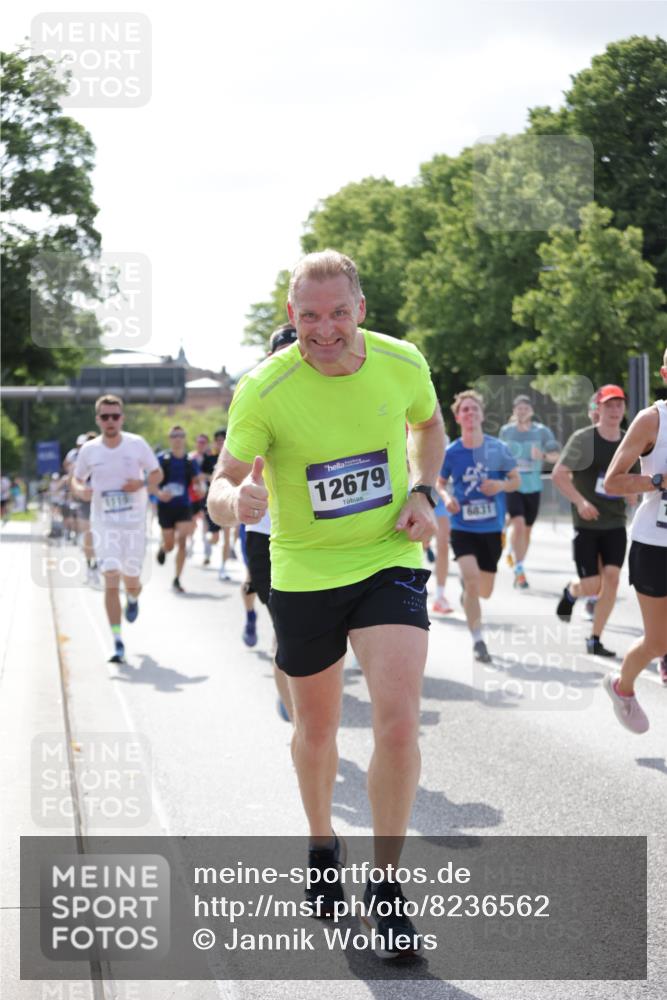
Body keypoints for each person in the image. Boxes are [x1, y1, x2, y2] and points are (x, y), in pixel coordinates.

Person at [208, 249, 445, 957]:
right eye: (309, 316)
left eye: (338, 312)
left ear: (360, 311)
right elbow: (220, 486)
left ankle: (386, 888)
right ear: (292, 317)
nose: (324, 329)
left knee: (398, 725)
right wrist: (235, 500)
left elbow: (427, 428)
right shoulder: (264, 388)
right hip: (306, 573)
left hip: (387, 557)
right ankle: (320, 841)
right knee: (317, 732)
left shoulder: (402, 363)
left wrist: (423, 490)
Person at [602, 350, 667, 727]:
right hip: (655, 546)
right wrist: (657, 481)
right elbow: (613, 481)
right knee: (657, 642)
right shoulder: (652, 420)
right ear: (663, 373)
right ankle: (622, 687)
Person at [72, 395, 162, 662]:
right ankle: (117, 640)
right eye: (104, 417)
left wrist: (142, 482)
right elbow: (76, 479)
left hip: (134, 523)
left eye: (115, 416)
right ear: (98, 419)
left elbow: (157, 473)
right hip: (104, 522)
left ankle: (132, 599)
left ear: (122, 418)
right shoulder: (89, 450)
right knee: (111, 576)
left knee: (131, 581)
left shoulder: (137, 445)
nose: (110, 421)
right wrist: (81, 491)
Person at [553, 385, 639, 657]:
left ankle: (595, 638)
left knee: (612, 580)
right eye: (609, 405)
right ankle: (572, 592)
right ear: (598, 409)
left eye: (619, 405)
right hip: (587, 523)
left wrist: (632, 494)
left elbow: (635, 480)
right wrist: (580, 502)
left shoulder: (629, 440)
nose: (614, 410)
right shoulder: (584, 439)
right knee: (593, 586)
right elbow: (559, 474)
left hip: (614, 522)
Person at [438, 390, 520, 662]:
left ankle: (468, 593)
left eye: (474, 409)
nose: (470, 413)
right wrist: (448, 497)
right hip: (462, 526)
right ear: (458, 417)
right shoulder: (452, 453)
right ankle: (478, 641)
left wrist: (500, 485)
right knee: (472, 581)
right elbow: (439, 483)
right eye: (465, 410)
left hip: (491, 528)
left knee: (484, 590)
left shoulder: (498, 448)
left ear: (482, 415)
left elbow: (515, 480)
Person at [499, 395, 560, 589]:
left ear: (531, 411)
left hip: (533, 487)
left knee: (526, 530)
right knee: (518, 524)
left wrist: (541, 455)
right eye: (519, 408)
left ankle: (518, 560)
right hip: (513, 485)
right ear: (514, 411)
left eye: (526, 408)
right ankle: (519, 570)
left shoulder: (542, 432)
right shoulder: (506, 431)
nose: (522, 411)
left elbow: (556, 455)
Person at [155, 425, 204, 593]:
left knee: (182, 542)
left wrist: (200, 489)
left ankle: (177, 579)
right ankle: (163, 548)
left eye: (180, 435)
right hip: (165, 507)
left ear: (184, 438)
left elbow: (198, 481)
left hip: (184, 506)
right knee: (170, 545)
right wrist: (159, 493)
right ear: (170, 439)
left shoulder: (190, 461)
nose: (177, 438)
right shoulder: (162, 459)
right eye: (174, 435)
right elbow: (151, 482)